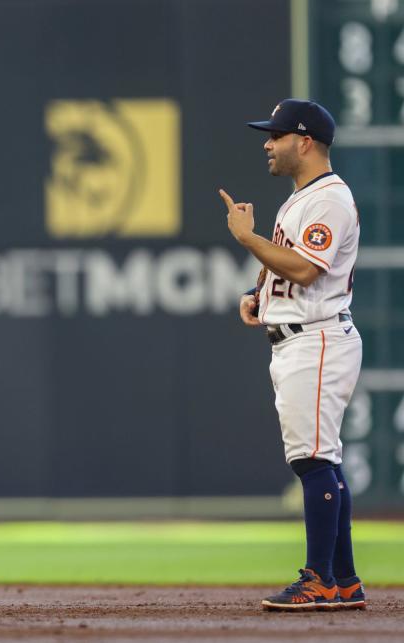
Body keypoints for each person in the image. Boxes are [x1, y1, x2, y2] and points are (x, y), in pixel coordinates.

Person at [219, 99, 365, 611]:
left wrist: (246, 237)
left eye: (276, 135)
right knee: (321, 460)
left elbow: (307, 270)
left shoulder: (329, 199)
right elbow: (289, 267)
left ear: (304, 142)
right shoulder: (302, 198)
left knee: (314, 461)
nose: (267, 143)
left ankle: (319, 579)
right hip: (299, 336)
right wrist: (258, 292)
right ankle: (343, 580)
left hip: (318, 336)